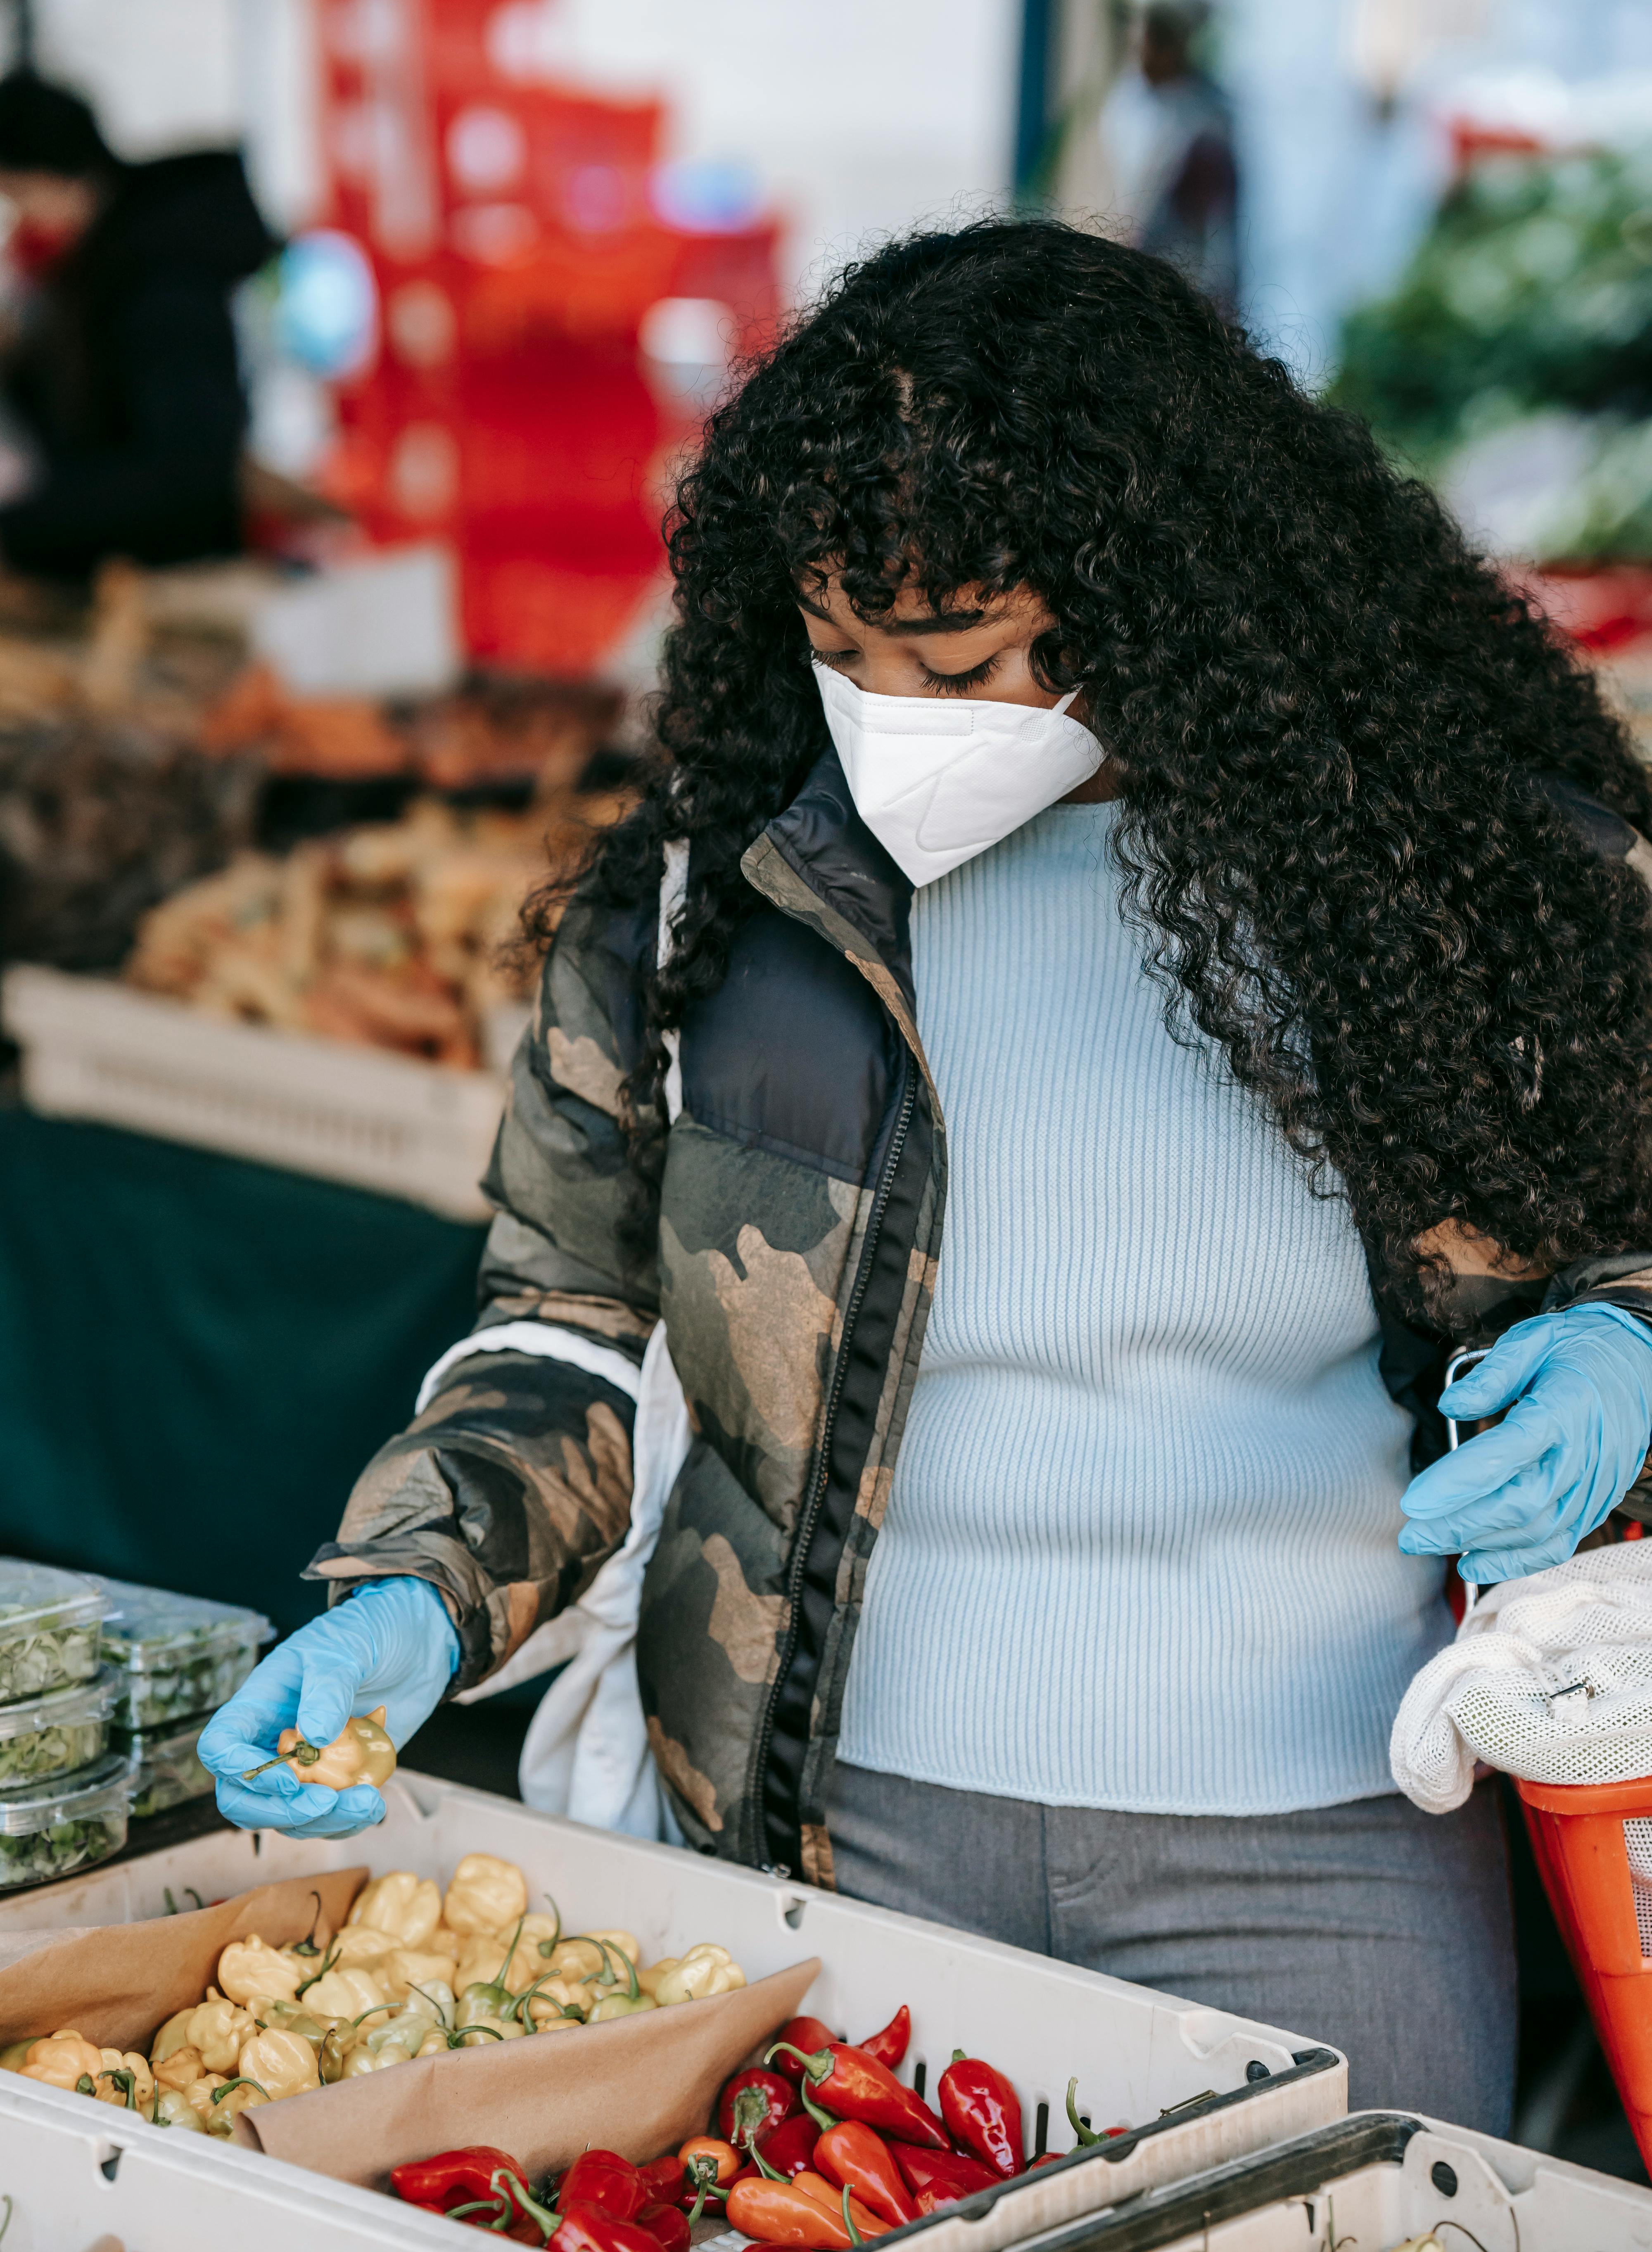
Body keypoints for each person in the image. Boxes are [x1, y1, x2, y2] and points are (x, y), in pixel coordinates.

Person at [202, 219, 1652, 2132]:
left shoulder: (1453, 898)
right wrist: (419, 1579)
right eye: (832, 650)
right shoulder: (695, 917)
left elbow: (1614, 1236)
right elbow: (563, 1326)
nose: (887, 715)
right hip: (833, 1832)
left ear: (1153, 600)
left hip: (1331, 1847)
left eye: (954, 656)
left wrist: (1623, 1337)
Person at [0, 69, 277, 579]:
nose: (17, 228)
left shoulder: (160, 285)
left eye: (18, 198)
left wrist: (20, 528)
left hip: (174, 580)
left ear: (55, 175)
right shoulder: (95, 278)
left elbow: (184, 478)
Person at [1101, 0, 1239, 316]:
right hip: (1152, 274)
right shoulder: (1139, 105)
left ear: (1170, 49)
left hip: (1189, 281)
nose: (1139, 58)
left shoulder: (1204, 120)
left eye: (1145, 46)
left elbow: (1212, 217)